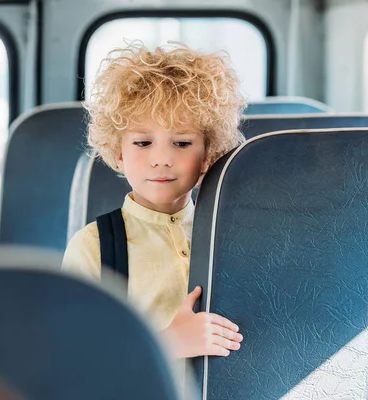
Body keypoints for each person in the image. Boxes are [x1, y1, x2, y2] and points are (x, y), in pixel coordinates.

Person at [63, 42, 245, 359]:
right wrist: (166, 343)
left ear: (208, 155)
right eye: (143, 142)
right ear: (119, 153)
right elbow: (71, 358)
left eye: (182, 142)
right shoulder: (93, 247)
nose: (161, 159)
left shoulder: (231, 235)